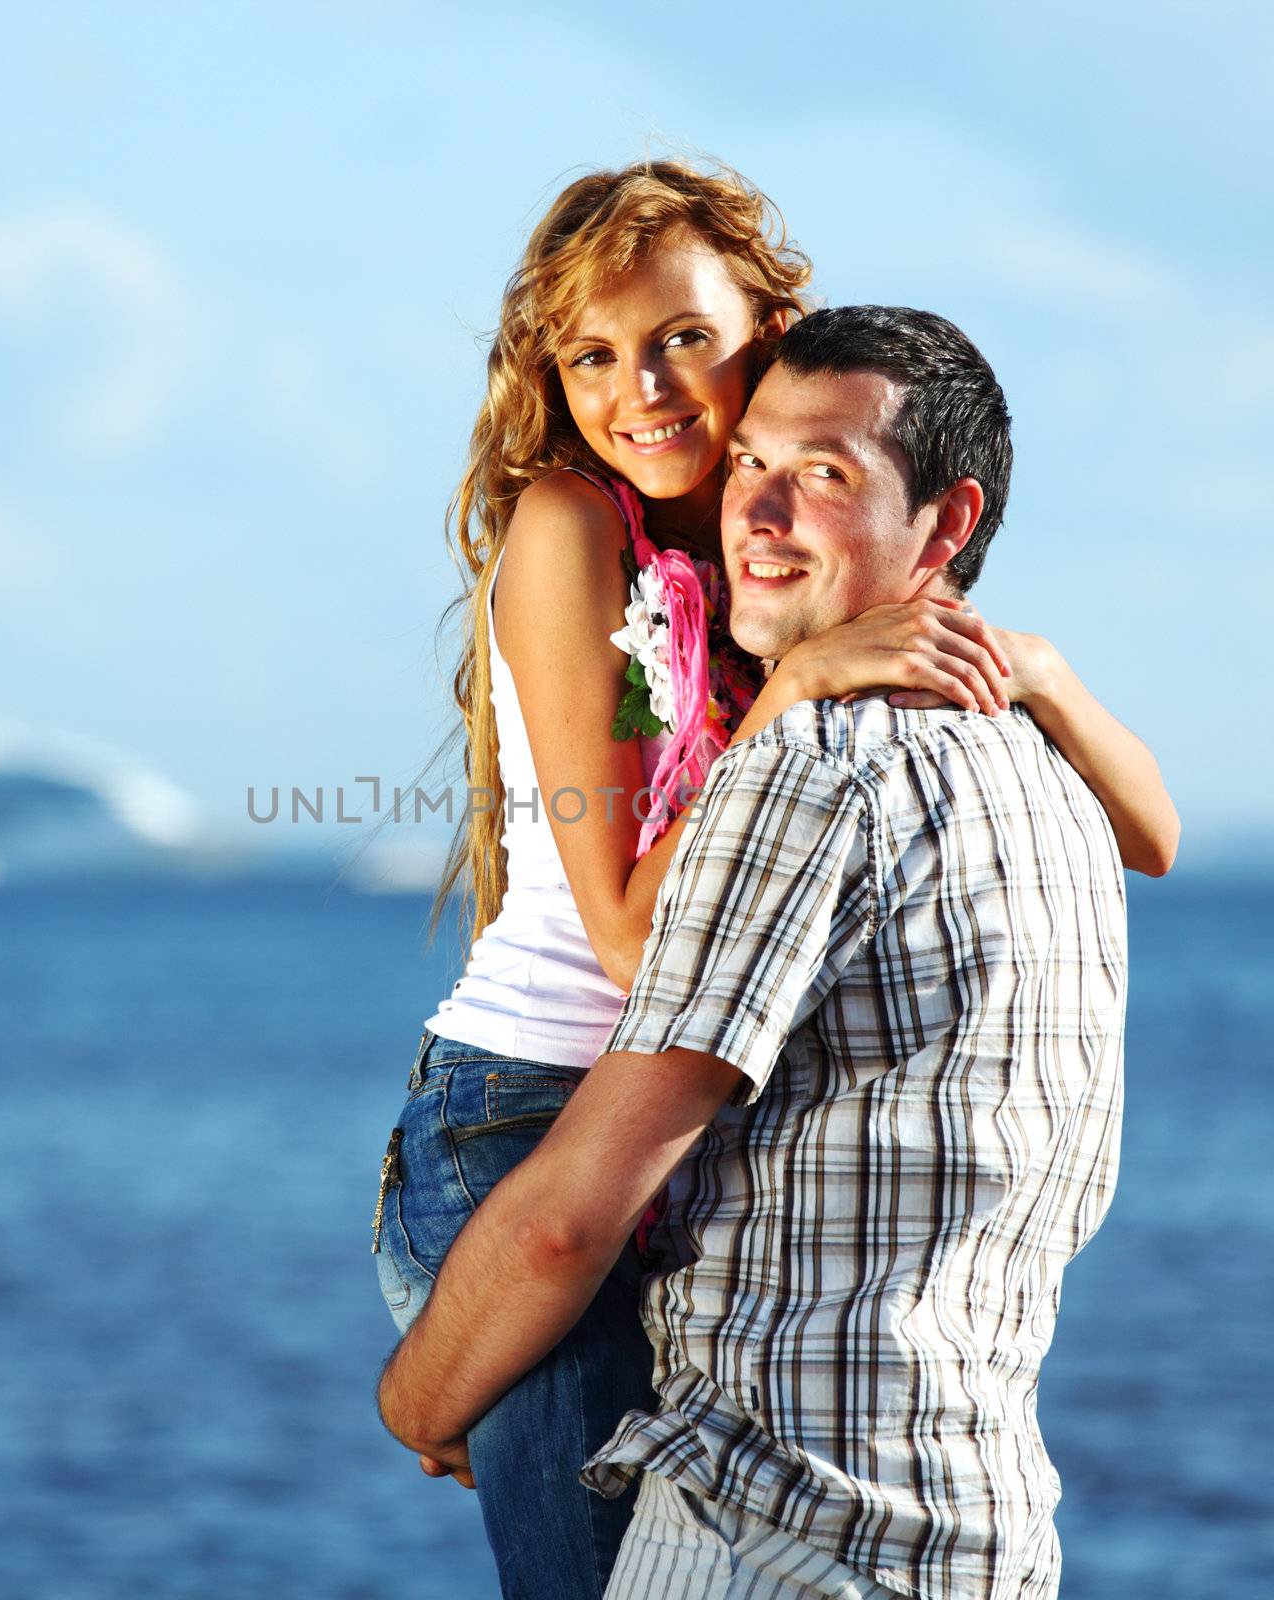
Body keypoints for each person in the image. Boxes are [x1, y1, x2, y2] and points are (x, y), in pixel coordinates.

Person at [373, 163, 1176, 1599]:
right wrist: (797, 686)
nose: (648, 390)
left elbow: (1154, 834)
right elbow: (632, 935)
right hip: (530, 1122)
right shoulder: (574, 532)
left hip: (652, 1138)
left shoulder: (773, 531)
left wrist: (1035, 671)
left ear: (767, 325)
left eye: (684, 337)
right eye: (595, 357)